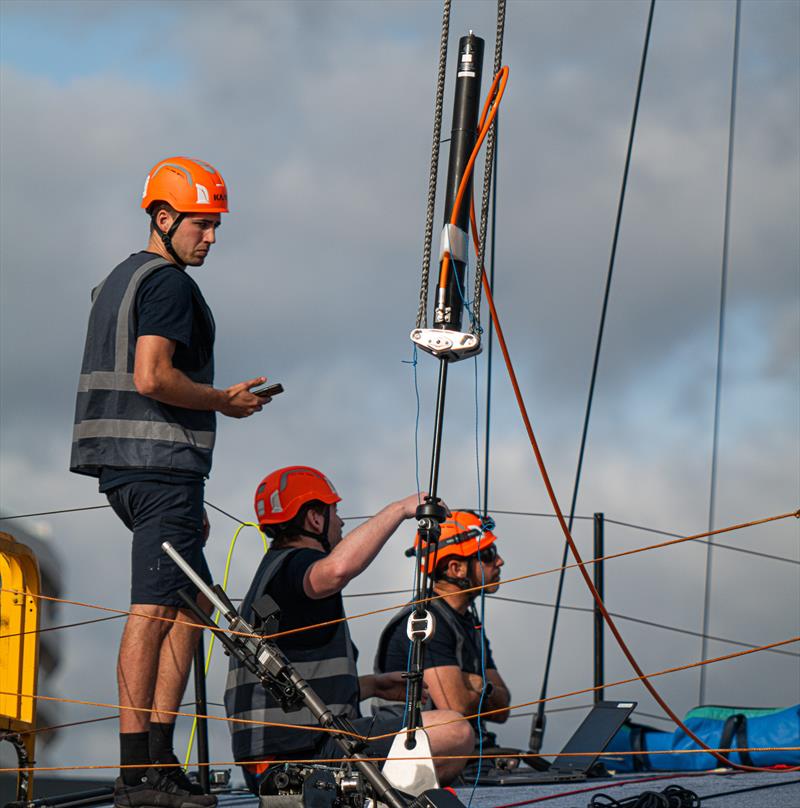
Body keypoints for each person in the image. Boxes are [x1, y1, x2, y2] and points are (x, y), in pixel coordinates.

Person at [71, 157, 269, 808]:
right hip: (157, 468)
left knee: (192, 606)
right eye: (202, 225)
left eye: (215, 227)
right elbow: (154, 377)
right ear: (164, 218)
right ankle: (141, 772)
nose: (210, 238)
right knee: (155, 607)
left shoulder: (120, 280)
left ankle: (158, 760)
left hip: (137, 469)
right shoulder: (169, 286)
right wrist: (224, 401)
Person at [224, 466, 474, 794]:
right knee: (454, 732)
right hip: (303, 756)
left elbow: (292, 686)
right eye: (335, 512)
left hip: (276, 758)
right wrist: (400, 510)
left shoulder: (274, 575)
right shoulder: (294, 566)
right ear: (315, 519)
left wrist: (371, 686)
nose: (341, 523)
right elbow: (336, 570)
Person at [373, 511, 511, 736]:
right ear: (456, 569)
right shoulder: (425, 622)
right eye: (487, 554)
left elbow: (503, 709)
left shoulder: (467, 620)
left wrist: (480, 685)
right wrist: (483, 692)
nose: (500, 561)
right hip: (417, 755)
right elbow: (455, 707)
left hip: (469, 753)